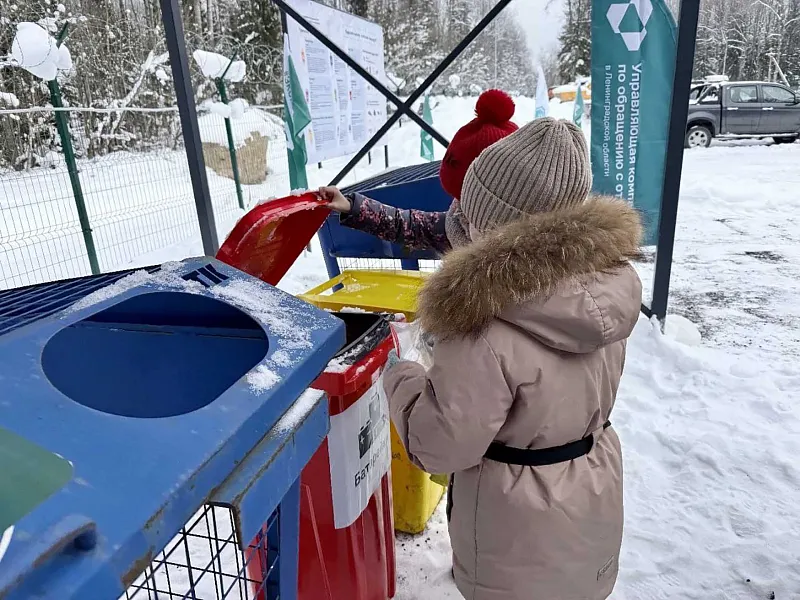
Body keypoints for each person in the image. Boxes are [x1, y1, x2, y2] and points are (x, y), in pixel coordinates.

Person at [382, 118, 643, 600]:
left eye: (470, 213)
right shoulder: (608, 289)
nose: (457, 222)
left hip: (513, 535)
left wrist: (402, 377)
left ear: (496, 227)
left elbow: (440, 446)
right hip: (591, 501)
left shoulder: (480, 321)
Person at [318, 89, 518, 254]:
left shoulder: (525, 253)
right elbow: (411, 226)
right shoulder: (460, 225)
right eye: (461, 200)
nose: (463, 210)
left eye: (468, 201)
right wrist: (352, 207)